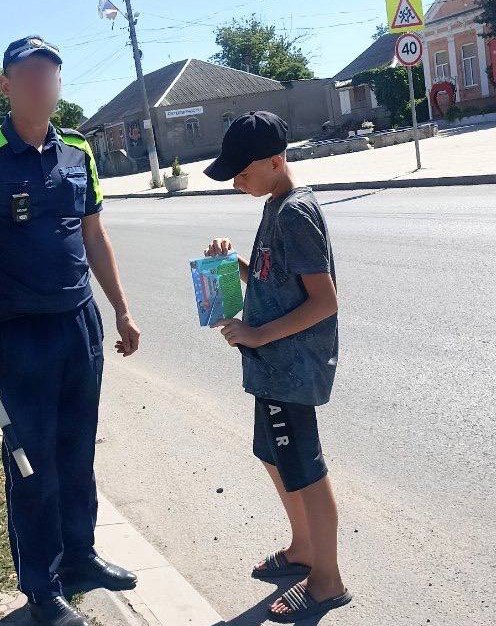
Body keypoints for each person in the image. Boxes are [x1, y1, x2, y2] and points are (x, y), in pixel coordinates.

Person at [0, 35, 141, 626]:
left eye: (49, 77)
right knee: (32, 462)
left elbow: (94, 234)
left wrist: (121, 310)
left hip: (80, 323)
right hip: (18, 331)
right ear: (6, 86)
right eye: (28, 78)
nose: (41, 88)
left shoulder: (78, 149)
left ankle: (80, 557)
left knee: (78, 452)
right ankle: (40, 586)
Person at [202, 111, 351, 623]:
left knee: (305, 469)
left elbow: (324, 301)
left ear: (275, 160)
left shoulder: (295, 213)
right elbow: (272, 279)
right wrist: (233, 265)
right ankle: (304, 548)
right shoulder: (274, 205)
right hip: (271, 367)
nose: (237, 182)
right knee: (273, 455)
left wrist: (257, 333)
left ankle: (327, 581)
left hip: (291, 368)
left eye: (242, 172)